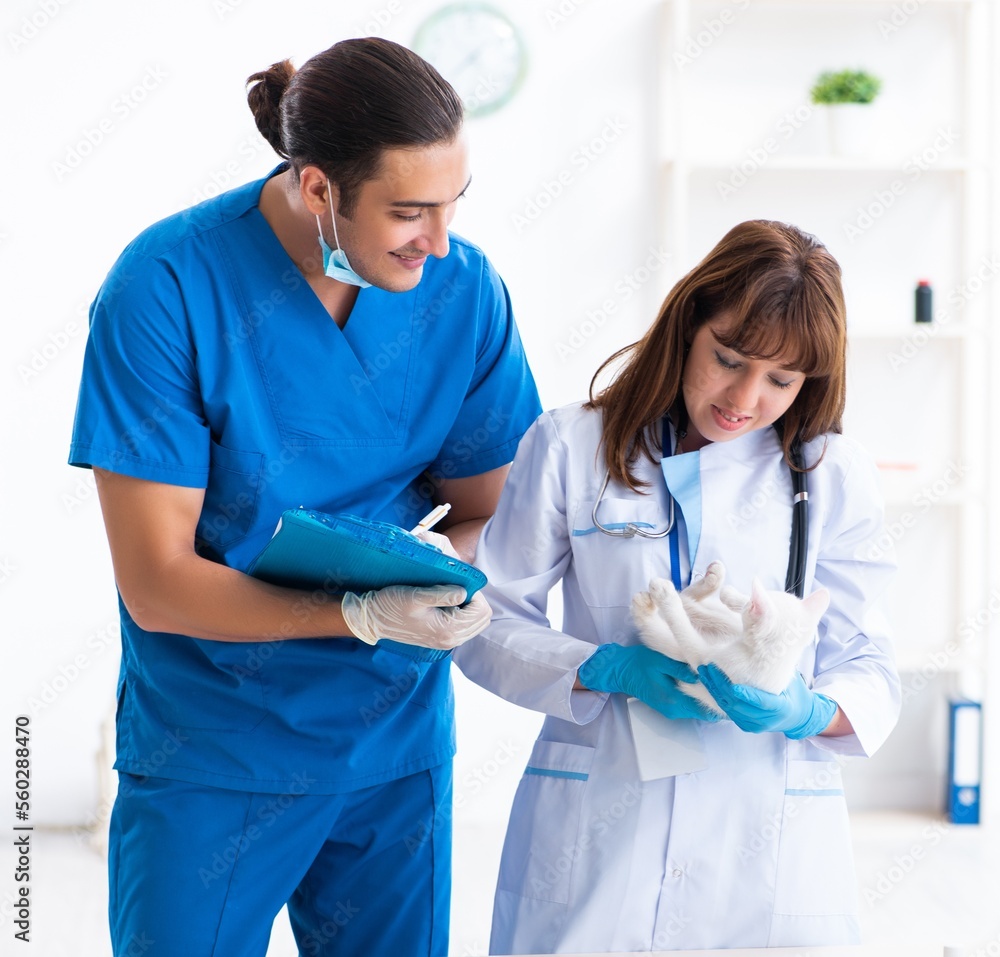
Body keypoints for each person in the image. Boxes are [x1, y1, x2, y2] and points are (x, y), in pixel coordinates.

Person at [68, 37, 540, 957]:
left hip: (390, 746)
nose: (438, 243)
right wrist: (361, 610)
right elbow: (157, 581)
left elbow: (494, 509)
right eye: (409, 212)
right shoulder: (166, 289)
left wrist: (448, 574)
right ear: (319, 186)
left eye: (452, 205)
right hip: (217, 747)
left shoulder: (464, 292)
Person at [453, 220, 900, 953]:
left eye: (781, 380)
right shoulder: (573, 445)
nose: (744, 398)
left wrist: (808, 709)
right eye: (729, 358)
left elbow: (872, 665)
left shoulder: (828, 476)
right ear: (688, 323)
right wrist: (601, 667)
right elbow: (487, 618)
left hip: (764, 840)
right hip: (602, 821)